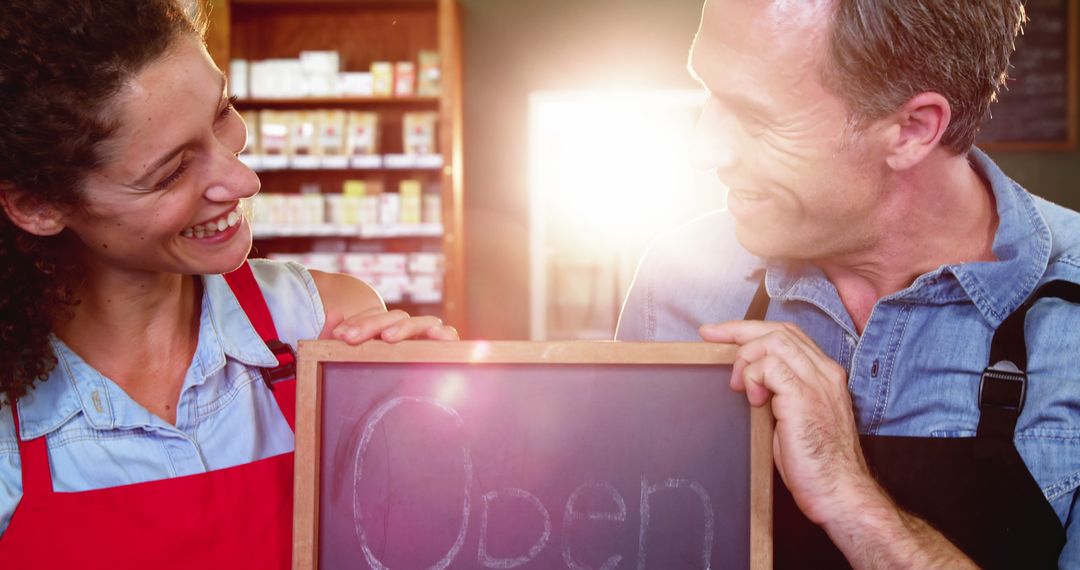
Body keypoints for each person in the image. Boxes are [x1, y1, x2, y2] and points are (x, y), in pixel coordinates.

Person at [617, 0, 1079, 568]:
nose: (702, 149)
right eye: (707, 91)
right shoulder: (676, 284)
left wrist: (851, 500)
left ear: (912, 129)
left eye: (756, 118)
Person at [0, 1, 457, 567]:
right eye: (170, 172)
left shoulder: (324, 326)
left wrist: (436, 448)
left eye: (222, 113)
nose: (244, 179)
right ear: (37, 204)